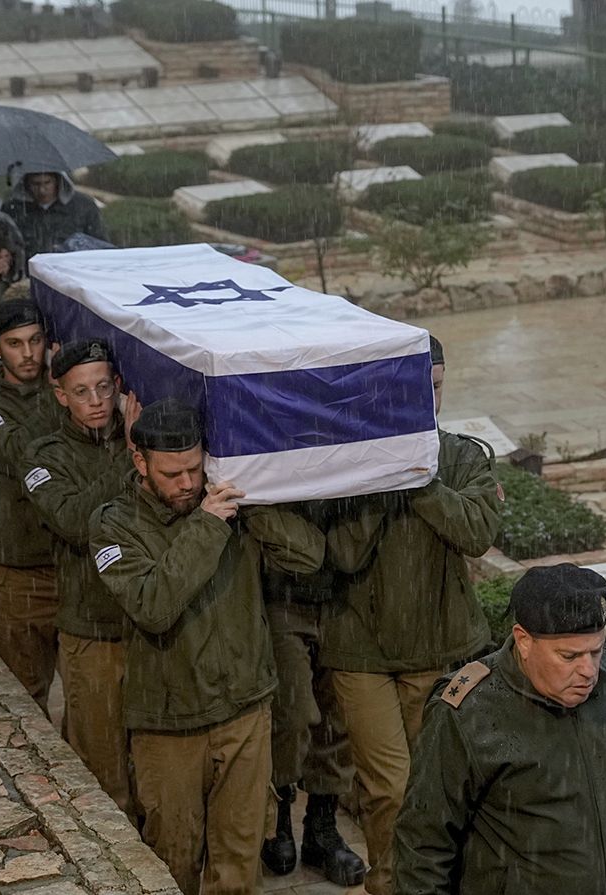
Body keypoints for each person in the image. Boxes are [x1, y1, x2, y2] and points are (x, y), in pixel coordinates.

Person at [92, 398, 328, 894]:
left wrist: (256, 502)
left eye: (195, 470)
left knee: (239, 866)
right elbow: (154, 606)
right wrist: (206, 523)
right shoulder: (113, 525)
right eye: (173, 473)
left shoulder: (230, 506)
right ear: (140, 463)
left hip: (244, 712)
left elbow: (308, 557)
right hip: (169, 727)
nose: (186, 484)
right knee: (170, 864)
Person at [320, 335, 503, 895]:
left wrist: (420, 478)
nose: (428, 402)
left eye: (438, 388)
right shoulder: (351, 456)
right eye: (415, 391)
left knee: (439, 787)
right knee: (388, 789)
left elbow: (476, 533)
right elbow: (343, 553)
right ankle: (389, 885)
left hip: (441, 647)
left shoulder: (465, 456)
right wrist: (385, 469)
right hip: (362, 651)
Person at [392, 563, 606, 895]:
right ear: (524, 641)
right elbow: (424, 842)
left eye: (596, 650)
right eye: (569, 656)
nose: (588, 670)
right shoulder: (468, 711)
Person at [23, 339, 136, 818]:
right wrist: (130, 456)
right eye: (82, 391)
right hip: (91, 627)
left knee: (149, 763)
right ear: (61, 395)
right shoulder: (43, 456)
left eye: (104, 388)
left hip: (146, 625)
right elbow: (72, 520)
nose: (96, 402)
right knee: (103, 767)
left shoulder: (142, 437)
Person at [260, 504, 368, 888]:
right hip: (282, 592)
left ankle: (321, 828)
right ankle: (279, 818)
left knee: (337, 715)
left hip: (345, 591)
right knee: (292, 713)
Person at [0, 298, 65, 712]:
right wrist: (61, 393)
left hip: (71, 565)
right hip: (19, 569)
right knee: (23, 697)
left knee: (91, 703)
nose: (28, 354)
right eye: (15, 343)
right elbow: (24, 454)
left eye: (36, 340)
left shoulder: (68, 391)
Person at [4, 171, 107, 256]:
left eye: (47, 183)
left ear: (58, 181)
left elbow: (100, 245)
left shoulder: (83, 206)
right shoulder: (14, 210)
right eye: (36, 184)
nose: (42, 190)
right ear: (26, 184)